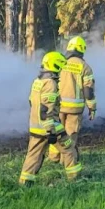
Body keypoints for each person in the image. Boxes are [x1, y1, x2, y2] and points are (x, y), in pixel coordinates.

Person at [19, 51, 82, 185]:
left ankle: (25, 182)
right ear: (56, 66)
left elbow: (32, 102)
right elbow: (46, 109)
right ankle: (75, 179)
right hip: (50, 127)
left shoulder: (37, 81)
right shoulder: (50, 84)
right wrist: (51, 131)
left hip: (35, 126)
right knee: (69, 149)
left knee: (33, 155)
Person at [48, 36, 96, 162]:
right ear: (82, 50)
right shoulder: (85, 67)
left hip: (59, 106)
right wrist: (92, 108)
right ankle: (67, 162)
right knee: (70, 135)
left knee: (57, 132)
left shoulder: (61, 62)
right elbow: (88, 91)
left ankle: (54, 157)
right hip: (75, 109)